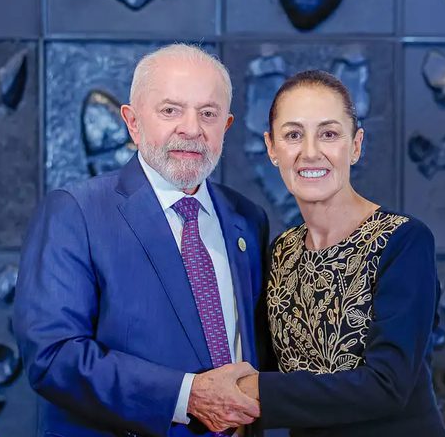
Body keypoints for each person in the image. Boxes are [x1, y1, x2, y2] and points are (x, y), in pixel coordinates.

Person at [14, 44, 270, 437]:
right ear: (132, 122)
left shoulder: (248, 220)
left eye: (208, 113)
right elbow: (52, 355)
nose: (191, 128)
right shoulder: (76, 212)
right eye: (170, 110)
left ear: (227, 125)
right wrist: (186, 396)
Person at [238, 70, 445, 437]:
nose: (310, 152)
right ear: (271, 148)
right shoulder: (281, 252)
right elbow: (273, 367)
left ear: (355, 145)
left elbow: (388, 385)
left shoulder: (404, 241)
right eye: (293, 135)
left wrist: (255, 388)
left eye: (329, 134)